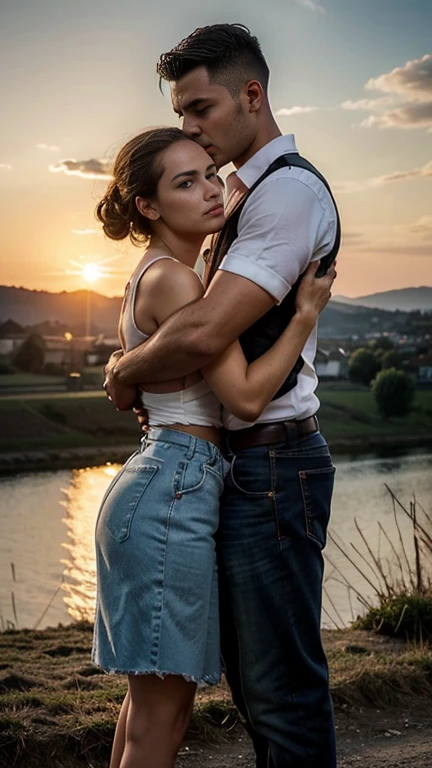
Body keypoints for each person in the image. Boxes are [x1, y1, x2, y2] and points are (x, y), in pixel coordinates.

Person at [104, 24, 340, 768]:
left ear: (252, 94)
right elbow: (208, 347)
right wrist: (128, 369)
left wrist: (125, 368)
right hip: (196, 477)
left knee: (258, 696)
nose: (194, 133)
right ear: (149, 205)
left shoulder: (287, 191)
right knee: (187, 706)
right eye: (181, 123)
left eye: (201, 109)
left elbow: (208, 336)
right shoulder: (209, 233)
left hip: (255, 469)